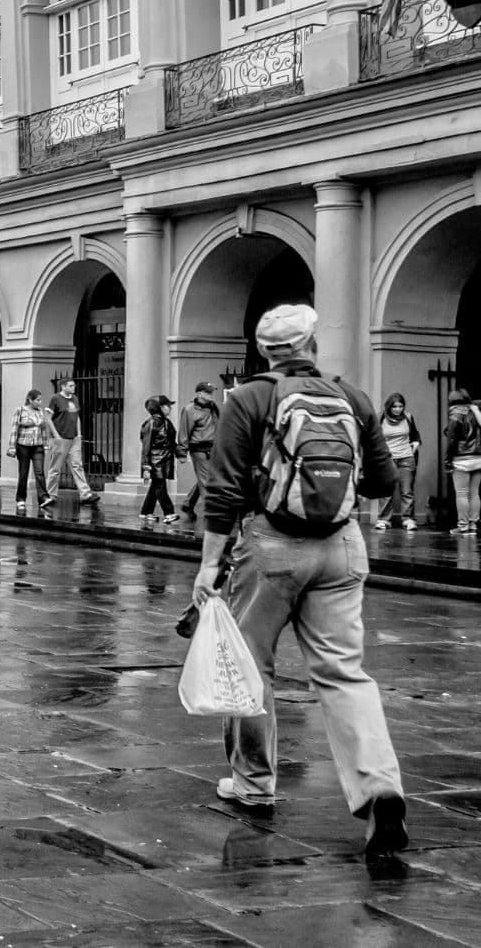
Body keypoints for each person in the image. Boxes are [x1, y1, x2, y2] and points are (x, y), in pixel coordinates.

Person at [191, 303, 406, 854]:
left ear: (264, 351)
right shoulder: (352, 397)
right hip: (341, 545)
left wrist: (210, 564)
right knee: (344, 673)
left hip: (272, 547)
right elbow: (382, 479)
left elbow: (224, 490)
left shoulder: (249, 397)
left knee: (250, 667)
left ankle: (254, 784)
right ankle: (379, 788)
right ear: (312, 342)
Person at [43, 378, 97, 507]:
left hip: (73, 438)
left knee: (77, 465)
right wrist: (56, 436)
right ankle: (51, 495)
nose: (74, 388)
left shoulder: (75, 398)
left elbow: (76, 416)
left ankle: (85, 494)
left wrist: (78, 434)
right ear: (63, 386)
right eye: (71, 386)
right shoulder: (55, 399)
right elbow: (48, 418)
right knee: (55, 468)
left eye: (74, 386)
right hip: (60, 438)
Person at [374, 393, 421, 531]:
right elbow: (374, 437)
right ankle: (383, 520)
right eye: (395, 406)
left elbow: (415, 434)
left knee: (407, 491)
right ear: (389, 407)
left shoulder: (408, 417)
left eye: (400, 406)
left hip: (406, 457)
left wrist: (416, 443)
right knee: (386, 491)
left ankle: (408, 519)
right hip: (387, 459)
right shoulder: (381, 417)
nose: (398, 409)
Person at [178, 381, 220, 519]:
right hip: (200, 449)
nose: (211, 395)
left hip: (213, 447)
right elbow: (184, 431)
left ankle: (188, 503)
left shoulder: (213, 407)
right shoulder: (190, 410)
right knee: (207, 480)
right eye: (208, 392)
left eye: (212, 392)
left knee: (207, 478)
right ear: (199, 393)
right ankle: (212, 512)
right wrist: (182, 452)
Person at [9, 389, 51, 512]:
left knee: (39, 472)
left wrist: (46, 445)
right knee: (23, 473)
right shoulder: (20, 410)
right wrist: (12, 446)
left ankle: (43, 497)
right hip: (23, 446)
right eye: (37, 400)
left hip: (38, 446)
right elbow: (14, 428)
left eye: (40, 400)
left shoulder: (41, 412)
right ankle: (21, 499)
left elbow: (43, 429)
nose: (40, 402)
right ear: (30, 400)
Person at [139, 396, 178, 523]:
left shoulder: (166, 422)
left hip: (164, 460)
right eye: (167, 405)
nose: (170, 408)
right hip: (156, 461)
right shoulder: (151, 423)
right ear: (160, 407)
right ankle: (169, 513)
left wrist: (180, 453)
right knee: (160, 486)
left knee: (156, 486)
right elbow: (146, 445)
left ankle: (146, 512)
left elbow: (171, 442)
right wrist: (145, 464)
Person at [448, 388, 481, 534]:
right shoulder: (475, 411)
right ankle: (473, 525)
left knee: (461, 493)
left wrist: (447, 460)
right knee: (474, 493)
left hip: (461, 459)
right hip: (478, 458)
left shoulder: (455, 415)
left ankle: (463, 526)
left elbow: (451, 441)